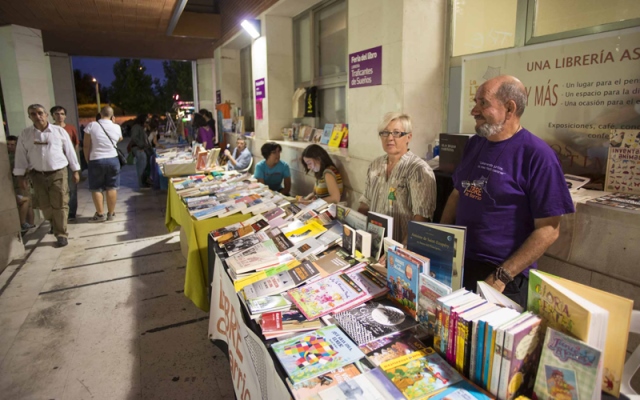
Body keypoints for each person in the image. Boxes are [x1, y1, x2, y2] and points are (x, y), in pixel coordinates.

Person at [440, 75, 575, 308]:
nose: (474, 110)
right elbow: (457, 193)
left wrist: (502, 276)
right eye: (475, 102)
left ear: (510, 108)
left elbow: (549, 230)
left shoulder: (538, 156)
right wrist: (439, 240)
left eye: (483, 103)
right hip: (458, 265)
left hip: (502, 276)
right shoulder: (475, 144)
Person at [358, 112, 436, 244]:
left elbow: (421, 218)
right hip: (374, 243)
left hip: (400, 247)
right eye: (385, 133)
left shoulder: (418, 169)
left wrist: (400, 250)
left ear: (408, 137)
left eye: (396, 133)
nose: (389, 138)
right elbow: (365, 203)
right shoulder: (375, 165)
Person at [13, 104, 80, 247]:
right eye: (33, 114)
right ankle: (54, 223)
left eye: (40, 113)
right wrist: (20, 176)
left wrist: (75, 170)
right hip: (37, 175)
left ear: (46, 115)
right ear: (29, 116)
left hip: (58, 173)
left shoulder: (59, 131)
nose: (37, 116)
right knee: (44, 205)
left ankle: (61, 233)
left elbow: (70, 151)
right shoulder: (25, 134)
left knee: (60, 203)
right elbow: (20, 156)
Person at [83, 106, 123, 222]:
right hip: (113, 159)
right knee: (112, 186)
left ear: (100, 114)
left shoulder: (92, 125)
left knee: (96, 188)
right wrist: (113, 124)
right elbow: (120, 139)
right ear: (112, 115)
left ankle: (100, 215)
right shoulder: (117, 127)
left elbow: (86, 145)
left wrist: (87, 159)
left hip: (96, 159)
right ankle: (111, 214)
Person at [50, 105, 80, 221]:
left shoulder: (71, 128)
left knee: (72, 188)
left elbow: (75, 143)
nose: (60, 116)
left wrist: (73, 159)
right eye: (57, 114)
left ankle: (71, 213)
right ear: (52, 115)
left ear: (65, 115)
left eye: (62, 114)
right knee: (58, 189)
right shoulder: (50, 129)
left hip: (69, 162)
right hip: (56, 163)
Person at [7, 135, 35, 232]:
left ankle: (30, 226)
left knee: (29, 204)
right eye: (8, 144)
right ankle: (24, 224)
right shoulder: (7, 157)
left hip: (23, 184)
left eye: (12, 145)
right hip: (15, 186)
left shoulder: (21, 155)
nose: (10, 147)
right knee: (25, 202)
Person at [129, 114, 152, 188]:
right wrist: (141, 145)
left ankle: (145, 180)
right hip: (138, 148)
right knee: (142, 165)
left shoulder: (141, 128)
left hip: (142, 148)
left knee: (145, 164)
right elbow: (135, 138)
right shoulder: (136, 127)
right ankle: (142, 182)